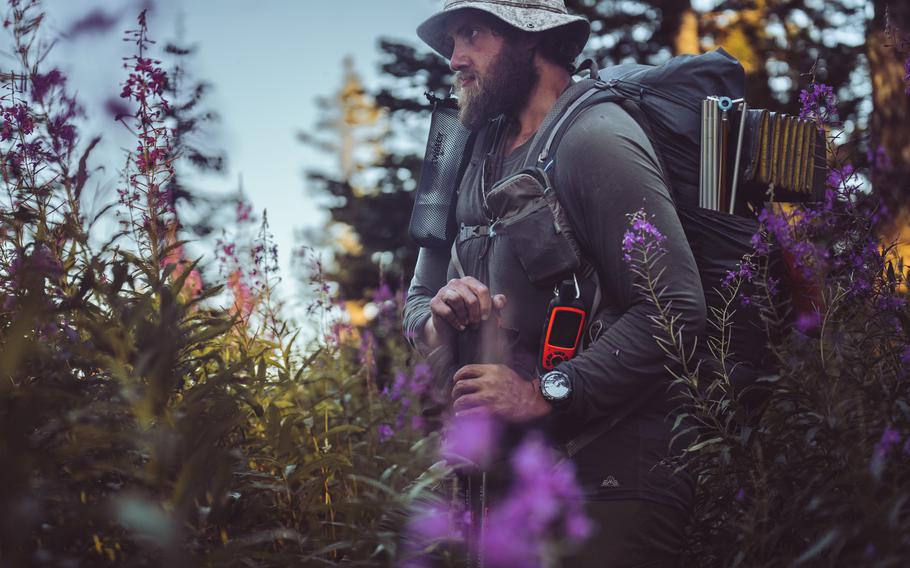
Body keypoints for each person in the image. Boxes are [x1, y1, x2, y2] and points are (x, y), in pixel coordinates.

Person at [403, 1, 707, 565]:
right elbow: (417, 302)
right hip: (512, 484)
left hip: (614, 483)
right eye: (450, 41)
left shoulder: (596, 137)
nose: (454, 58)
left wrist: (542, 393)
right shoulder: (466, 154)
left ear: (530, 40)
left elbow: (676, 310)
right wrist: (438, 314)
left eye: (472, 35)